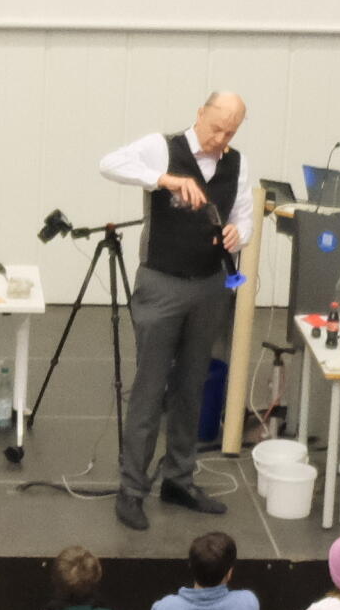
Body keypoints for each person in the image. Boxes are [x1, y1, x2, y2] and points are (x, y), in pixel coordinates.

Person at [99, 90, 248, 526]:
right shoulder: (161, 147)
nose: (221, 138)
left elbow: (243, 215)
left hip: (209, 285)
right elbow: (108, 164)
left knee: (192, 385)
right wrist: (163, 180)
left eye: (231, 132)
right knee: (149, 388)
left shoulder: (237, 162)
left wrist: (241, 232)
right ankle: (131, 487)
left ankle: (180, 478)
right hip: (162, 284)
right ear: (199, 115)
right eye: (216, 127)